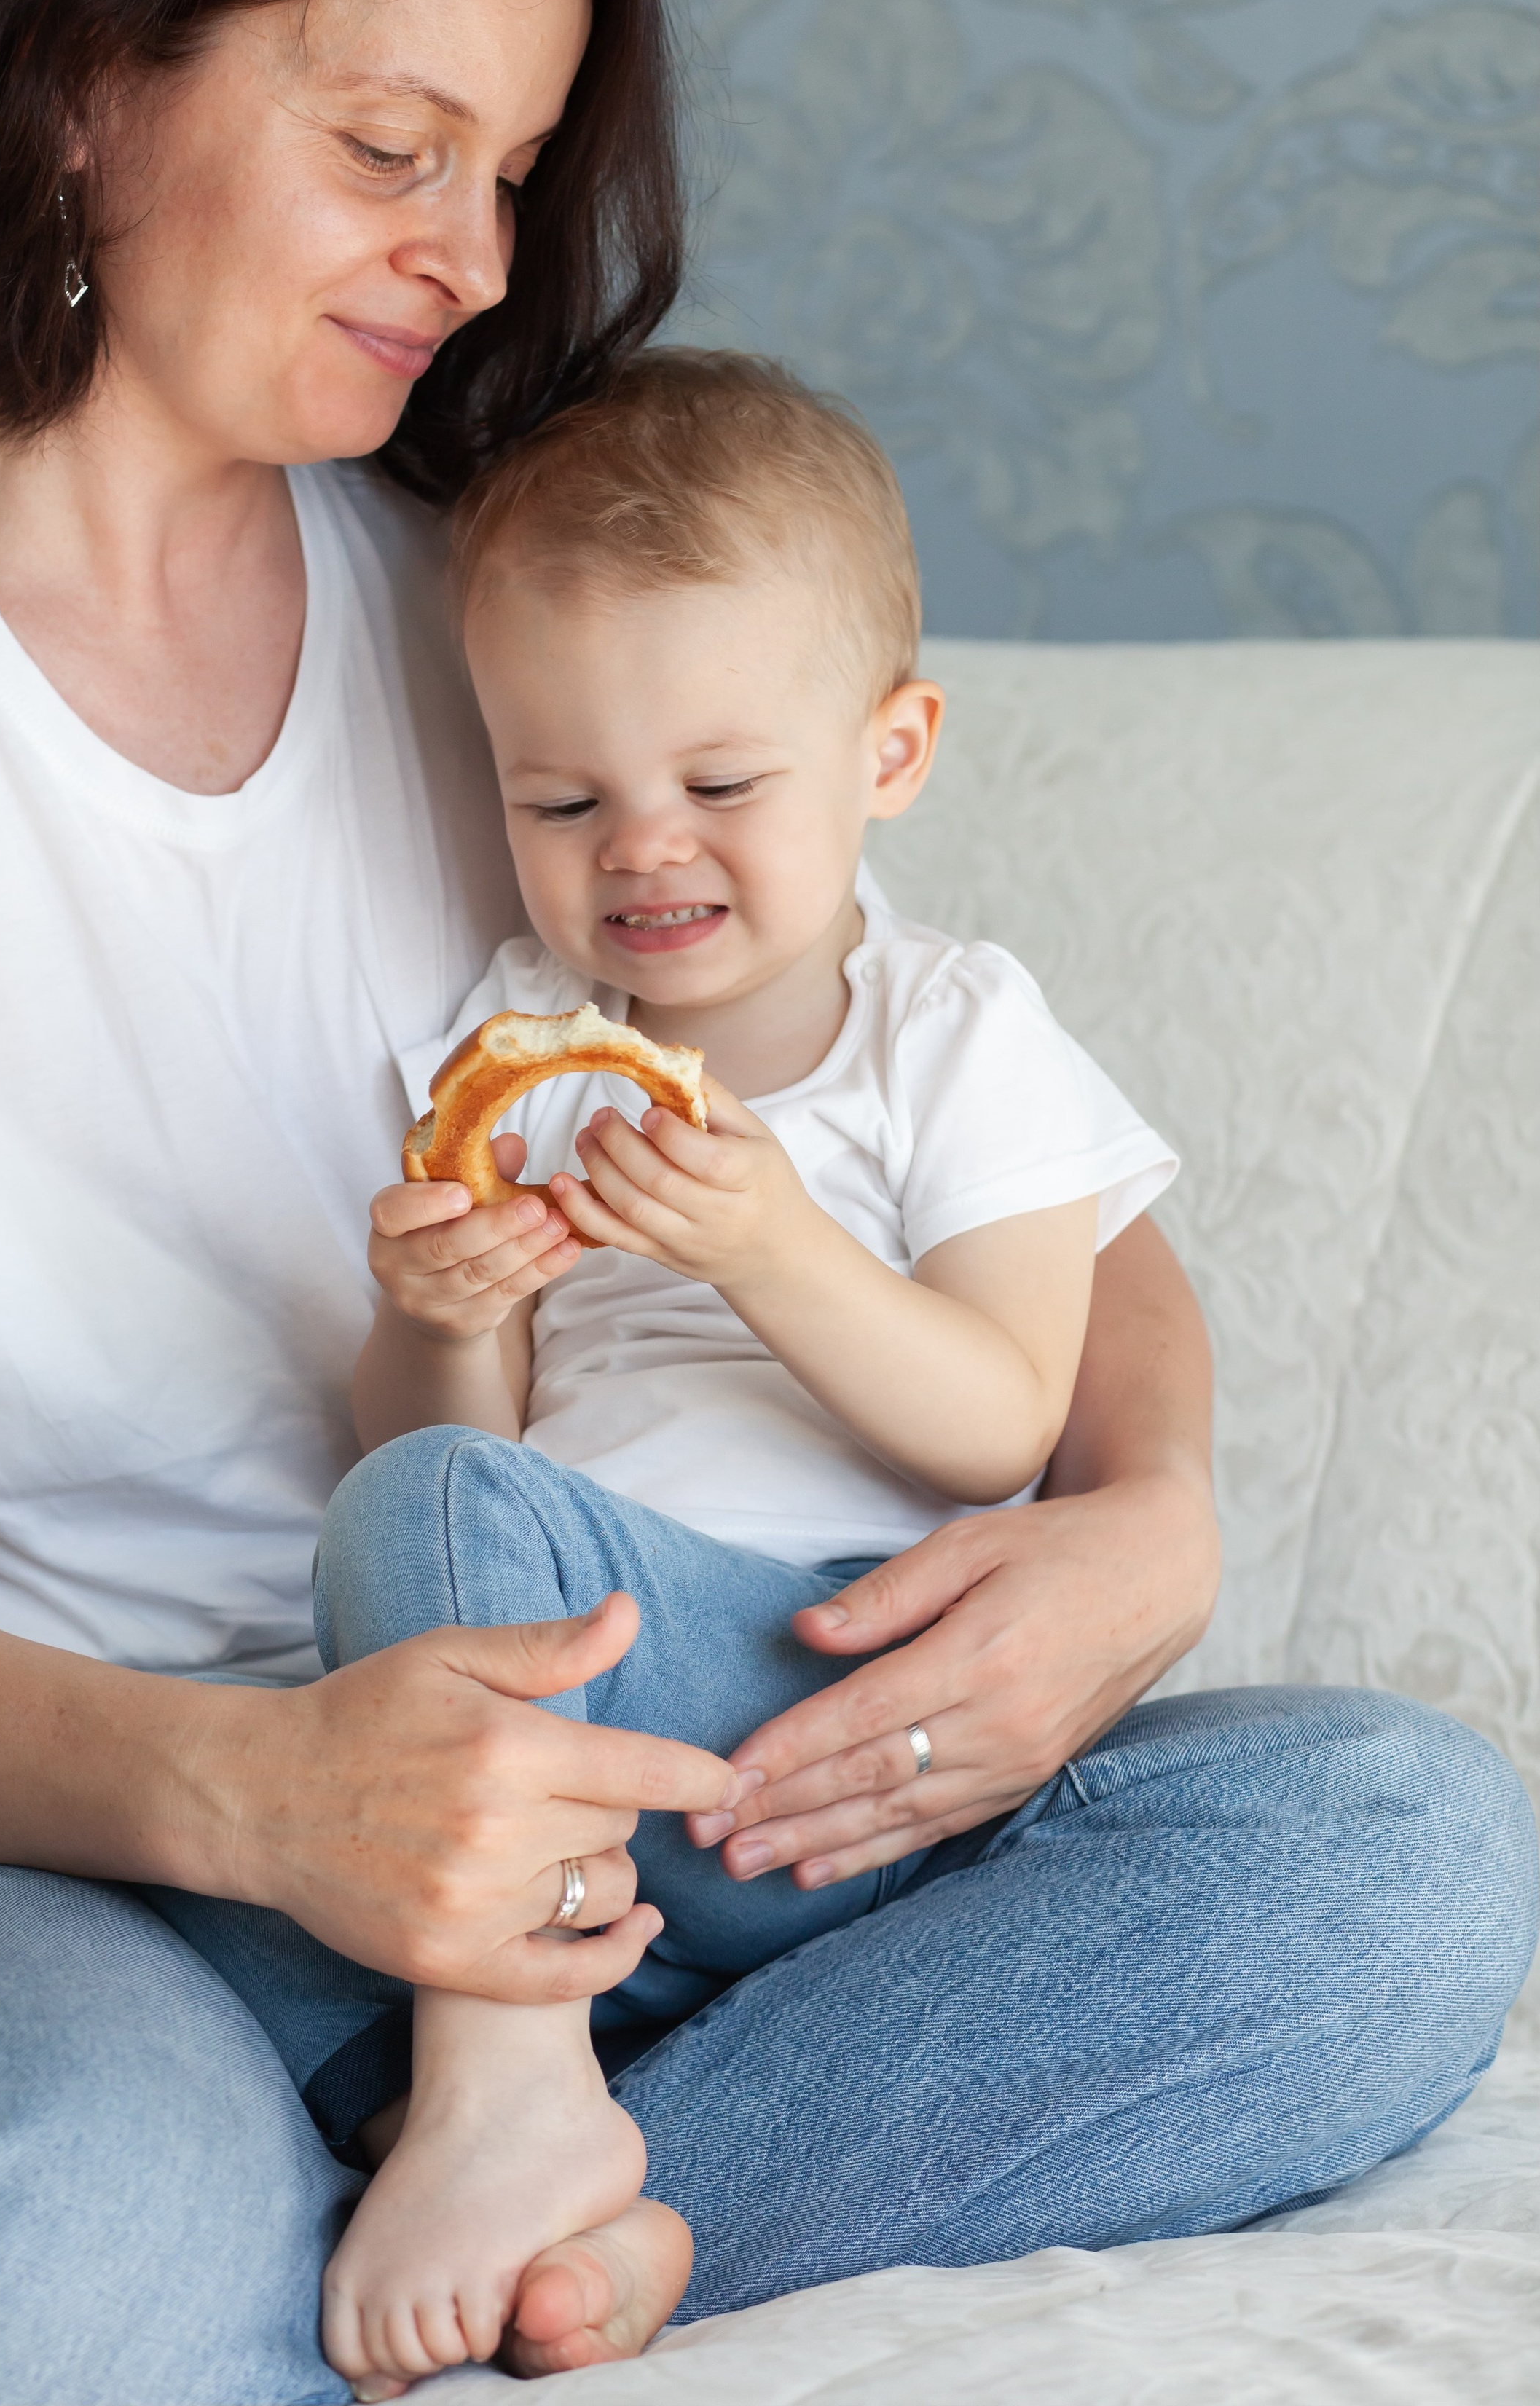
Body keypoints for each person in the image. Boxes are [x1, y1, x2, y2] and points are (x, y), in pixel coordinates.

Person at [0, 0, 1527, 2406]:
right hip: (65, 1848)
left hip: (627, 1785)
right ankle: (281, 2199)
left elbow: (946, 1098)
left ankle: (517, 2204)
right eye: (393, 144)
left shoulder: (511, 614)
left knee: (1387, 1854)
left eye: (517, 168)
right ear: (84, 74)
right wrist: (266, 1796)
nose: (480, 255)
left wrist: (1147, 1521)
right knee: (47, 2262)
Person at [315, 350, 1185, 2386]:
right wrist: (442, 1315)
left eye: (721, 786)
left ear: (890, 752)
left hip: (841, 1697)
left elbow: (1006, 1418)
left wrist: (777, 1241)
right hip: (579, 1723)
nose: (645, 851)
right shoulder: (519, 1040)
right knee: (410, 1503)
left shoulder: (957, 1036)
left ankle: (494, 2082)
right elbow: (461, 1489)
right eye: (562, 798)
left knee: (1362, 1822)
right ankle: (530, 2092)